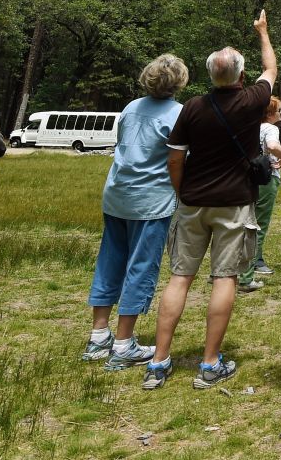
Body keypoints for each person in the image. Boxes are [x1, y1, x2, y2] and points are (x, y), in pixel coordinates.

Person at [142, 12, 277, 391]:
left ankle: (158, 361)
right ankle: (209, 362)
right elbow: (271, 67)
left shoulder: (193, 107)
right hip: (234, 203)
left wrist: (181, 191)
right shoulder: (253, 100)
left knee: (180, 277)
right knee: (224, 278)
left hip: (193, 202)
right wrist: (262, 32)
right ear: (238, 75)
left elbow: (175, 157)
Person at [84, 54, 189, 370]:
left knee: (110, 261)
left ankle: (98, 336)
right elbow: (180, 159)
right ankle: (123, 343)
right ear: (179, 82)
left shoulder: (130, 108)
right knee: (140, 267)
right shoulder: (178, 114)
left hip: (116, 195)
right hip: (151, 202)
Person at [238, 96, 281, 293]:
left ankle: (225, 273)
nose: (280, 113)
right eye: (278, 110)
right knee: (258, 227)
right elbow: (272, 146)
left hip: (247, 180)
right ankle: (247, 277)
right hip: (266, 180)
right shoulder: (271, 128)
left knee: (241, 224)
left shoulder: (250, 127)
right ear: (269, 113)